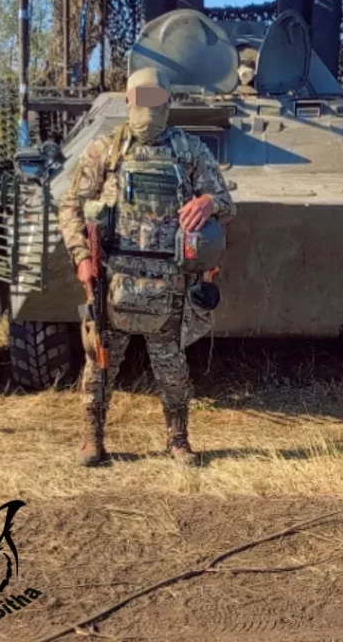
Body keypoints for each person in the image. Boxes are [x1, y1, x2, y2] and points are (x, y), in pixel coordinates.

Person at [58, 66, 236, 467]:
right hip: (114, 280)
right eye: (141, 100)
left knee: (171, 367)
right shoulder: (105, 150)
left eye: (156, 100)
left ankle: (178, 440)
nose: (148, 109)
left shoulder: (189, 151)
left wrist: (209, 202)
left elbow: (226, 202)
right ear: (128, 101)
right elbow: (71, 206)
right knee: (100, 363)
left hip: (168, 284)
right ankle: (92, 439)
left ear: (168, 103)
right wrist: (82, 258)